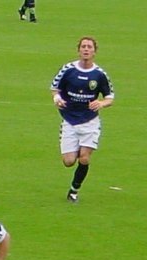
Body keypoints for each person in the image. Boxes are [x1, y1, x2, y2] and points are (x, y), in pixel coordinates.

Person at [50, 36, 115, 203]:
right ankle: (78, 149)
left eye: (89, 47)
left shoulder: (99, 74)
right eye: (83, 46)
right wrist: (57, 99)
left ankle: (73, 191)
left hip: (90, 122)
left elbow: (110, 97)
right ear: (79, 50)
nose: (86, 49)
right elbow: (55, 88)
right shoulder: (68, 70)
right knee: (69, 161)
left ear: (94, 51)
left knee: (84, 158)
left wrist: (101, 103)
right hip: (70, 120)